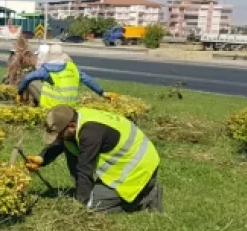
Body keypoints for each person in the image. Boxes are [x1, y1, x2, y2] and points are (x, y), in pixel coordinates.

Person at [26, 105, 163, 214]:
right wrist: (41, 158)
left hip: (138, 169)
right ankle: (95, 193)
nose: (58, 138)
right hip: (127, 164)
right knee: (68, 143)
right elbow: (61, 142)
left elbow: (85, 168)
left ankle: (147, 197)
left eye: (59, 135)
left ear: (72, 126)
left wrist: (82, 205)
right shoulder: (77, 118)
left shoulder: (90, 133)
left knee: (93, 206)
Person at [16, 44, 112, 107]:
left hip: (53, 105)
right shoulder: (73, 68)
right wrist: (102, 93)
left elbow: (27, 77)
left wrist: (19, 93)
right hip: (71, 105)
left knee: (32, 82)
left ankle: (35, 104)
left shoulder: (46, 69)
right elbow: (88, 80)